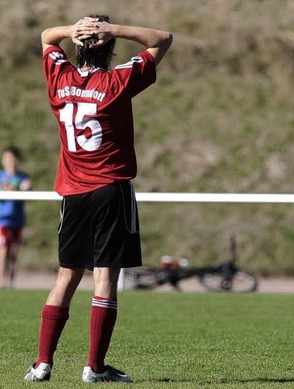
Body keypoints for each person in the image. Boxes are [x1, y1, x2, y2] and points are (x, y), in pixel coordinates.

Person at [24, 16, 172, 383]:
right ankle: (94, 367)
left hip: (72, 194)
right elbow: (163, 39)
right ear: (109, 47)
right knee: (104, 278)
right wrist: (116, 29)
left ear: (77, 45)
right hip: (110, 191)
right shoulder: (117, 81)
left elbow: (46, 37)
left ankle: (43, 363)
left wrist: (73, 29)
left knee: (66, 276)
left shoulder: (59, 78)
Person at [0, 146, 32, 288]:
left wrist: (26, 188)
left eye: (13, 159)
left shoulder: (23, 177)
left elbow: (27, 190)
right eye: (8, 158)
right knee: (3, 249)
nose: (11, 161)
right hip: (3, 219)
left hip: (18, 219)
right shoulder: (1, 176)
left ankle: (11, 283)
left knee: (14, 251)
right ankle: (1, 281)